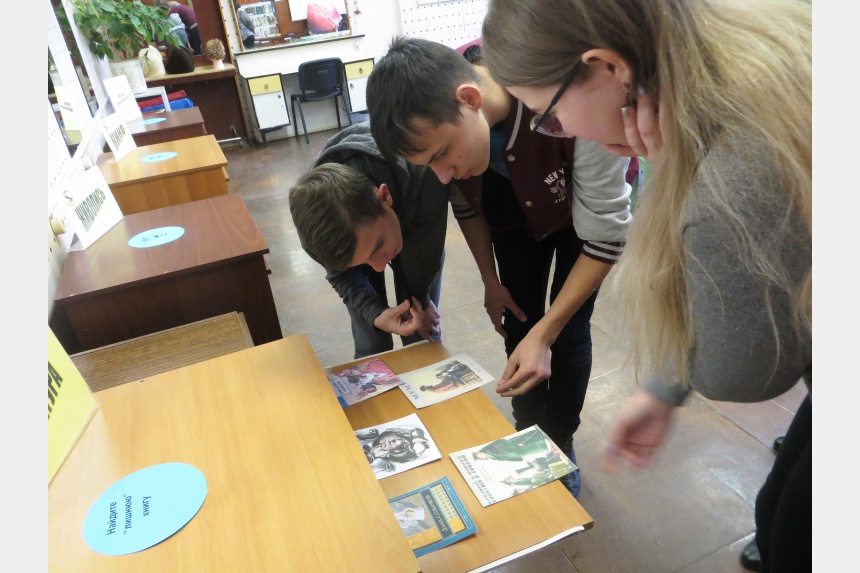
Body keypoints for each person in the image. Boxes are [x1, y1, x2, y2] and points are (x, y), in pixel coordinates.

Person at [480, 1, 811, 571]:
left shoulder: (733, 175)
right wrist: (664, 390)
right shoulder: (742, 60)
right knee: (779, 513)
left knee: (794, 537)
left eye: (548, 114)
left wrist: (674, 183)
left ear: (609, 68)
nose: (558, 131)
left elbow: (738, 374)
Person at [365, 37, 635, 498]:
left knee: (566, 331)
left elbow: (605, 237)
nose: (442, 175)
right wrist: (491, 281)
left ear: (470, 100)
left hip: (584, 213)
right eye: (429, 165)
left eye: (441, 156)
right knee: (518, 318)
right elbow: (467, 208)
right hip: (515, 213)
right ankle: (528, 432)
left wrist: (546, 333)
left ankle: (559, 440)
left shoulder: (572, 101)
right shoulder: (448, 124)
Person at [288, 123, 463, 359]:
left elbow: (425, 256)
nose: (380, 267)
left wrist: (421, 300)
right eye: (364, 261)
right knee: (371, 340)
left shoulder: (424, 170)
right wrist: (375, 315)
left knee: (419, 328)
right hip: (372, 224)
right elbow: (342, 277)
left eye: (378, 246)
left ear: (385, 196)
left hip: (415, 209)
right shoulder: (316, 229)